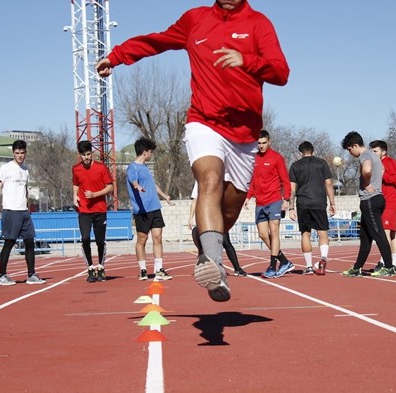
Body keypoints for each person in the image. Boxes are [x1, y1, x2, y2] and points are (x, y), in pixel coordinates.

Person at [96, 0, 289, 301]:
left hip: (244, 135)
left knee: (229, 211)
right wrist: (117, 57)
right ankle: (215, 267)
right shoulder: (195, 20)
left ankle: (205, 238)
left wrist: (247, 60)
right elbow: (157, 41)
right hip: (204, 122)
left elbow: (281, 72)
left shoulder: (258, 23)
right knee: (209, 179)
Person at [0, 140, 46, 286]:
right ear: (13, 153)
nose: (20, 155)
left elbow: (25, 190)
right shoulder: (5, 168)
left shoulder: (26, 169)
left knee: (29, 242)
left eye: (22, 153)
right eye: (17, 153)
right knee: (9, 242)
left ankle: (31, 274)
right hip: (11, 211)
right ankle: (2, 275)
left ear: (25, 153)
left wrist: (27, 206)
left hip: (24, 212)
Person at [340, 131, 394, 278]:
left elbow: (367, 169)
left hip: (370, 199)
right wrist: (377, 183)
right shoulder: (375, 155)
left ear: (355, 145)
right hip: (376, 198)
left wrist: (368, 182)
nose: (350, 153)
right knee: (365, 237)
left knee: (378, 234)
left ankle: (389, 266)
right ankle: (357, 267)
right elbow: (382, 169)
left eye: (350, 149)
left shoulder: (365, 156)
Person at [244, 130, 294, 278]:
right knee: (262, 234)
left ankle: (272, 266)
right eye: (259, 143)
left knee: (274, 231)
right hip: (260, 202)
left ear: (269, 142)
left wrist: (286, 199)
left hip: (274, 200)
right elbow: (252, 181)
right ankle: (284, 261)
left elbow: (285, 180)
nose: (261, 146)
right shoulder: (253, 159)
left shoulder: (277, 158)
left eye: (264, 143)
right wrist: (248, 197)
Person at [127, 137, 173, 281]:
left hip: (155, 208)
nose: (151, 154)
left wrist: (165, 196)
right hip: (142, 210)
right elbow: (133, 181)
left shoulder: (146, 168)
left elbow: (153, 185)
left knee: (158, 237)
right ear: (145, 152)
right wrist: (137, 186)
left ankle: (159, 269)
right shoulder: (132, 167)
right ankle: (142, 270)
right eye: (150, 151)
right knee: (142, 238)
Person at [288, 141, 336, 275]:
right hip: (319, 201)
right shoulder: (321, 163)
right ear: (313, 151)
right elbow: (328, 183)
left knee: (305, 233)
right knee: (322, 232)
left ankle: (309, 266)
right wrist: (332, 203)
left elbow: (292, 189)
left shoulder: (295, 165)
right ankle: (323, 258)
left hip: (302, 202)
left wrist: (290, 208)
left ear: (300, 153)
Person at [72, 140, 114, 283]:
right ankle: (90, 267)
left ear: (92, 153)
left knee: (100, 240)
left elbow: (110, 187)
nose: (86, 158)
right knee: (84, 238)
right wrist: (74, 196)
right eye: (83, 155)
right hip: (84, 210)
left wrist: (95, 194)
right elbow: (76, 184)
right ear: (80, 155)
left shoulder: (101, 168)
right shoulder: (76, 169)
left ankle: (101, 267)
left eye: (89, 154)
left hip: (100, 209)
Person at [188, 182, 247, 277]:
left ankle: (237, 268)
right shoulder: (200, 181)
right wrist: (190, 218)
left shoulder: (220, 178)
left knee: (226, 242)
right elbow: (195, 200)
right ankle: (204, 268)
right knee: (202, 243)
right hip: (206, 217)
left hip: (218, 216)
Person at [369, 140, 396, 274]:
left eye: (375, 151)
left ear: (383, 151)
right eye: (371, 151)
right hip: (379, 202)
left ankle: (385, 261)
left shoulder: (391, 162)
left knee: (386, 232)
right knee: (392, 233)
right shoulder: (373, 164)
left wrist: (384, 174)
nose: (373, 153)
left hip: (390, 202)